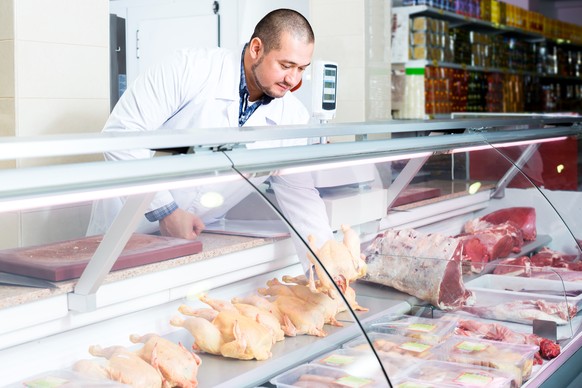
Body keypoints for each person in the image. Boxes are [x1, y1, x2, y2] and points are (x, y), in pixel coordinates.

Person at [87, 8, 334, 272]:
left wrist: (326, 267)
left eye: (301, 69)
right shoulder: (190, 68)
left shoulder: (292, 115)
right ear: (256, 49)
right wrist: (165, 211)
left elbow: (299, 195)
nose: (293, 80)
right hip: (126, 228)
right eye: (285, 66)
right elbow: (121, 134)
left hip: (196, 233)